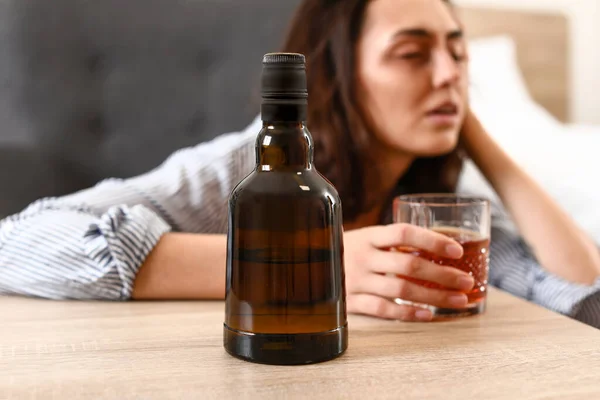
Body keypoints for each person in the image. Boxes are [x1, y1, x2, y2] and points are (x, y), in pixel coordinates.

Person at [1, 0, 600, 327]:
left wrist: (476, 137)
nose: (448, 75)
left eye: (458, 53)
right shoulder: (237, 168)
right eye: (412, 53)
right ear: (337, 76)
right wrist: (317, 263)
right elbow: (19, 242)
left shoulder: (433, 198)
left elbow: (577, 287)